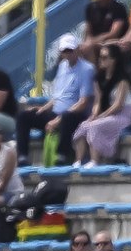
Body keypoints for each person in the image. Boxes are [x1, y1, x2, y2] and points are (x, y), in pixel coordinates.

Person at [15, 35, 95, 166]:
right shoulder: (62, 66)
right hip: (57, 112)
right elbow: (57, 97)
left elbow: (83, 102)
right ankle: (22, 156)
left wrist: (59, 120)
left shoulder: (87, 69)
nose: (67, 54)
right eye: (65, 51)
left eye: (70, 50)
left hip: (75, 114)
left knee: (67, 117)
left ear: (77, 49)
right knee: (24, 116)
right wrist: (42, 109)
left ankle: (61, 156)